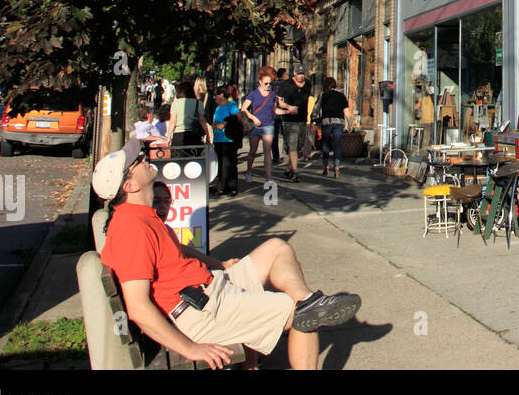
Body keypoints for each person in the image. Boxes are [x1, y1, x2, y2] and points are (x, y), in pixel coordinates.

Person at [94, 140, 361, 369]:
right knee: (303, 315)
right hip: (202, 312)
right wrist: (190, 348)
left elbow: (177, 251)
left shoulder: (142, 217)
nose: (143, 158)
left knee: (277, 248)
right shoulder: (132, 230)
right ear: (129, 186)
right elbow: (138, 308)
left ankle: (308, 299)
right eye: (137, 161)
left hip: (211, 290)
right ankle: (308, 306)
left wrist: (219, 264)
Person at [274, 68, 311, 183]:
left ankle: (289, 169)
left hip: (302, 119)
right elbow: (279, 101)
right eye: (299, 74)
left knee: (298, 147)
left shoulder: (308, 84)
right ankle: (295, 172)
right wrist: (289, 108)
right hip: (289, 120)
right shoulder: (286, 84)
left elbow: (309, 100)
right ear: (294, 73)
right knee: (292, 146)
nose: (301, 76)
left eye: (303, 74)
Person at [242, 67, 278, 185]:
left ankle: (268, 176)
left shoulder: (272, 95)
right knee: (253, 151)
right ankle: (248, 171)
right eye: (266, 83)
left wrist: (288, 110)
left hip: (268, 125)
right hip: (255, 126)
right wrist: (253, 117)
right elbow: (243, 109)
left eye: (270, 83)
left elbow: (275, 111)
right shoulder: (253, 94)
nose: (268, 85)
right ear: (260, 82)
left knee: (267, 151)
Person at [314, 76, 352, 178]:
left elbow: (316, 109)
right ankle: (336, 168)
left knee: (325, 143)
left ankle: (326, 166)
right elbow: (346, 111)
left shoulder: (323, 95)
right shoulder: (341, 96)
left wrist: (313, 120)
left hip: (326, 122)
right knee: (337, 145)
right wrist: (350, 124)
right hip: (339, 122)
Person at [210, 85, 243, 197]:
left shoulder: (231, 105)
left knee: (230, 163)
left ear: (222, 95)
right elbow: (213, 122)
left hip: (229, 138)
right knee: (221, 163)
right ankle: (221, 186)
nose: (214, 97)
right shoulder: (217, 108)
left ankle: (232, 187)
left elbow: (238, 118)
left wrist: (225, 123)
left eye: (216, 95)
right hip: (218, 138)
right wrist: (215, 126)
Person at [167, 79, 212, 149]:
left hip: (178, 135)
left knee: (178, 158)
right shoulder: (198, 103)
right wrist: (208, 135)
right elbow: (202, 121)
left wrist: (168, 136)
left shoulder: (175, 103)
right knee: (194, 158)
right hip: (194, 135)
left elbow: (172, 121)